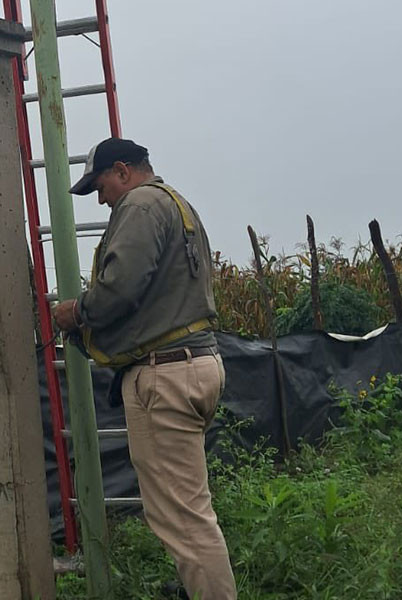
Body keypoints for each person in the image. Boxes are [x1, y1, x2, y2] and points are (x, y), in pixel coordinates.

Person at [52, 138, 236, 599]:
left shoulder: (139, 205)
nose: (101, 199)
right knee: (188, 510)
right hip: (196, 362)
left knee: (184, 520)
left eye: (100, 186)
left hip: (165, 373)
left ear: (122, 170)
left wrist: (77, 312)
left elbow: (120, 288)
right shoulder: (176, 204)